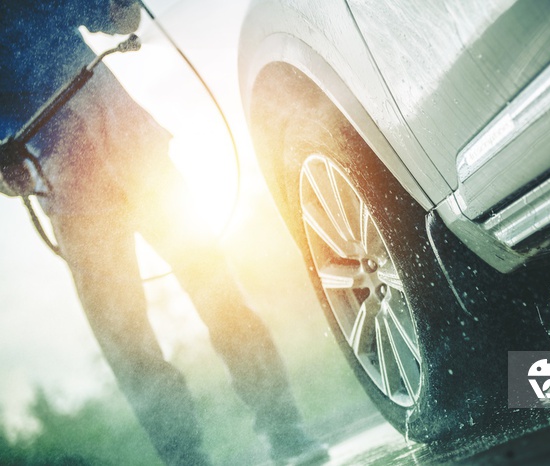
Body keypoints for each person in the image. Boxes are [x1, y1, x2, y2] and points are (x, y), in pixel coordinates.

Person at [0, 1, 328, 465]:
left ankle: (287, 432)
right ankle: (185, 458)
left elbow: (120, 18)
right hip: (73, 193)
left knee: (220, 298)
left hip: (139, 156)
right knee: (129, 343)